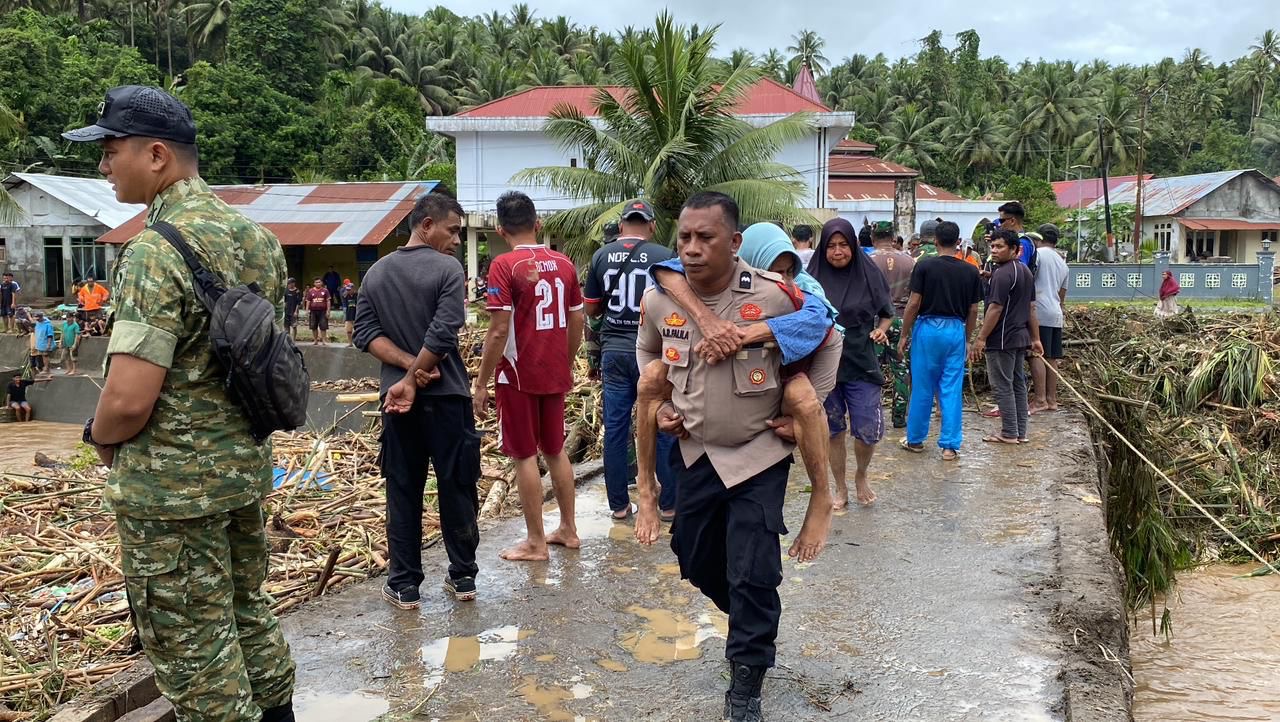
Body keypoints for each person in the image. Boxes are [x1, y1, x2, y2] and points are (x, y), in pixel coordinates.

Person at [64, 84, 296, 721]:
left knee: (194, 650)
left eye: (112, 152)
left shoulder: (152, 251)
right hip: (243, 472)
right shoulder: (258, 240)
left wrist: (102, 438)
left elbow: (130, 398)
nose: (104, 166)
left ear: (157, 155)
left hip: (171, 493)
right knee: (248, 611)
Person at [635, 193, 841, 722]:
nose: (693, 248)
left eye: (706, 238)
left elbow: (830, 334)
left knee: (752, 568)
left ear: (734, 242)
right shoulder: (660, 298)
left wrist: (805, 408)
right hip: (697, 451)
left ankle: (746, 679)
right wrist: (659, 409)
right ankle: (754, 615)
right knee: (694, 554)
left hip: (758, 452)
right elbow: (649, 354)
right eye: (684, 237)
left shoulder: (773, 296)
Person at [635, 220, 841, 537]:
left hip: (794, 375)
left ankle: (822, 495)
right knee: (697, 555)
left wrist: (746, 334)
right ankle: (646, 487)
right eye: (774, 268)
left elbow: (823, 323)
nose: (782, 277)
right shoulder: (700, 283)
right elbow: (665, 269)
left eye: (788, 270)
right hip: (702, 440)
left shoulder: (793, 291)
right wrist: (705, 319)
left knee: (803, 398)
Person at [358, 191, 482, 610]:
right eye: (452, 231)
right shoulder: (448, 270)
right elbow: (445, 332)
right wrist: (419, 372)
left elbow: (366, 334)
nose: (455, 240)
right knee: (457, 485)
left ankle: (404, 583)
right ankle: (463, 576)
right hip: (447, 397)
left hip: (396, 402)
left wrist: (407, 374)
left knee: (403, 488)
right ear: (425, 225)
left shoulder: (376, 273)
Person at [474, 191, 584, 562]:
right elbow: (577, 319)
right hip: (554, 371)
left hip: (518, 374)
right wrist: (565, 361)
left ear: (501, 229)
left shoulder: (504, 266)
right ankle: (568, 528)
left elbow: (498, 330)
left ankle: (536, 542)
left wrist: (481, 382)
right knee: (554, 450)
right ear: (538, 224)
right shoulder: (564, 263)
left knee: (523, 456)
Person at [582, 199, 678, 521]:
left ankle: (620, 506)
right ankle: (668, 505)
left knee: (616, 429)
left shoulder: (600, 256)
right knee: (662, 422)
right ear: (651, 226)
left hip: (614, 352)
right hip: (653, 354)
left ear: (622, 226)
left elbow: (592, 308)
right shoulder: (665, 257)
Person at [809, 218, 894, 508]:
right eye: (831, 246)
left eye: (843, 245)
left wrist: (882, 329)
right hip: (824, 363)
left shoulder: (868, 273)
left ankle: (861, 475)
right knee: (833, 430)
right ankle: (840, 487)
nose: (837, 251)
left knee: (867, 430)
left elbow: (887, 312)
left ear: (853, 246)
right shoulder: (812, 278)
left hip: (861, 359)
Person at [897, 221, 983, 459]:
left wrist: (905, 334)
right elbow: (974, 309)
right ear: (958, 242)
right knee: (951, 388)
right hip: (956, 329)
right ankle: (949, 446)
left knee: (923, 386)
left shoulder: (925, 266)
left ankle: (915, 439)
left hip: (927, 328)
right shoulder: (970, 270)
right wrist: (967, 338)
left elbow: (913, 303)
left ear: (935, 240)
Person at [971, 231, 1044, 445]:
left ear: (1014, 249)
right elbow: (1031, 308)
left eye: (1000, 247)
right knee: (1017, 384)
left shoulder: (1003, 274)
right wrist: (1036, 338)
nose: (994, 250)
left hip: (1002, 338)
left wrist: (981, 338)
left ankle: (1009, 432)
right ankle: (1020, 431)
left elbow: (995, 308)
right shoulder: (1024, 271)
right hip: (1020, 336)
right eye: (992, 246)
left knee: (1003, 385)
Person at [868, 221, 915, 429]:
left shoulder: (867, 261)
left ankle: (870, 415)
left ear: (873, 238)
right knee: (902, 370)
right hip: (902, 319)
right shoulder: (910, 261)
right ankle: (899, 418)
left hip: (876, 322)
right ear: (893, 238)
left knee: (871, 369)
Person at [1030, 224, 1069, 414]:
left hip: (1039, 312)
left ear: (1039, 237)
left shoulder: (1037, 255)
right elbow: (1062, 294)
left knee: (1036, 354)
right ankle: (1052, 399)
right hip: (1055, 314)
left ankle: (1039, 400)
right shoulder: (1062, 262)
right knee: (1051, 357)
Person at [304, 278, 330, 345]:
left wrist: (328, 310)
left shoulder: (325, 291)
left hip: (323, 311)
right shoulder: (310, 291)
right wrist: (307, 310)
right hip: (313, 311)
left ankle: (323, 340)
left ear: (321, 283)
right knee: (313, 326)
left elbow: (328, 301)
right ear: (314, 283)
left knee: (323, 326)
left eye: (319, 282)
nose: (318, 283)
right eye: (316, 282)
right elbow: (308, 301)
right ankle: (315, 340)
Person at [33, 313, 55, 380]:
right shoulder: (37, 323)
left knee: (46, 355)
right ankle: (46, 369)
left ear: (41, 317)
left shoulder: (48, 324)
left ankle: (47, 369)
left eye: (38, 318)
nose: (37, 320)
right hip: (40, 343)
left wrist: (48, 344)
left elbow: (50, 335)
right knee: (43, 355)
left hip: (46, 342)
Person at [341, 279, 358, 345]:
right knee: (348, 330)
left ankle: (358, 343)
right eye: (347, 289)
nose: (348, 291)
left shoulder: (358, 295)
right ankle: (350, 343)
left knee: (358, 330)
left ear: (353, 289)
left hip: (357, 315)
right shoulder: (345, 295)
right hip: (349, 315)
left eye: (349, 289)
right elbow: (343, 295)